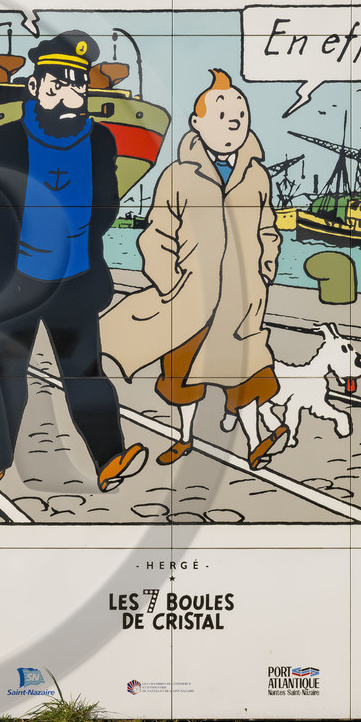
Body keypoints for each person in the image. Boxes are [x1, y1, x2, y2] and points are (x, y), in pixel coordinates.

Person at [0, 31, 148, 496]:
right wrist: (1, 245)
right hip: (10, 285)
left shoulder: (100, 142)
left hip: (73, 283)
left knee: (86, 375)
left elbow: (106, 206)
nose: (68, 93)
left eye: (77, 84)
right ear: (35, 87)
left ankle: (110, 458)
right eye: (56, 83)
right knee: (3, 380)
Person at [100, 68, 287, 470]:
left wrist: (265, 268)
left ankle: (256, 441)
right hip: (190, 298)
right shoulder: (178, 176)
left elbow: (268, 228)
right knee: (182, 373)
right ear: (197, 123)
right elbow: (157, 234)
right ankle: (184, 437)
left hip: (242, 298)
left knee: (245, 371)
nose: (234, 121)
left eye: (240, 114)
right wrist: (171, 282)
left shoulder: (257, 176)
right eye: (222, 114)